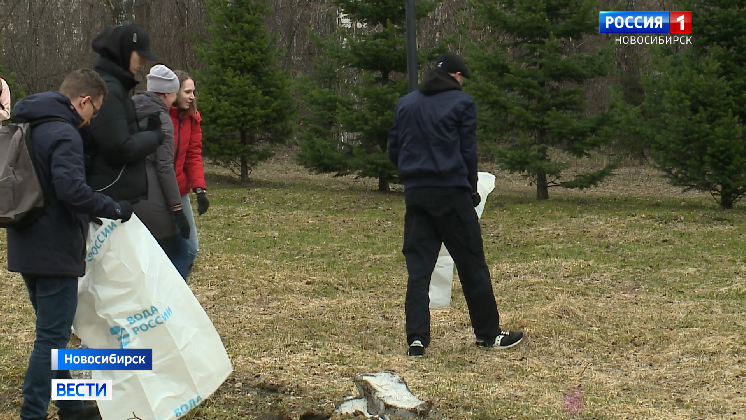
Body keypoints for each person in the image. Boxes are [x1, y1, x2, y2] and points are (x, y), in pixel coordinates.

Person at [6, 69, 133, 420]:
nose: (92, 120)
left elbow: (44, 185)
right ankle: (32, 413)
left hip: (25, 244)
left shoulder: (28, 124)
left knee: (53, 334)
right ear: (84, 100)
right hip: (54, 251)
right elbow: (70, 189)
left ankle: (72, 406)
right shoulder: (64, 132)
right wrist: (113, 208)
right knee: (51, 341)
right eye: (95, 110)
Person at [387, 53, 523, 357]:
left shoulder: (406, 103)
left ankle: (417, 338)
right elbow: (467, 152)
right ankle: (489, 334)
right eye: (462, 77)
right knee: (471, 263)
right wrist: (471, 189)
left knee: (419, 268)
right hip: (451, 193)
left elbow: (394, 149)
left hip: (417, 194)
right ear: (455, 75)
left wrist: (412, 177)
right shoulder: (462, 104)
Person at [82, 24, 163, 201]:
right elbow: (118, 148)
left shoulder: (115, 87)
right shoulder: (108, 89)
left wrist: (141, 130)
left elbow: (113, 131)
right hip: (107, 195)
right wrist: (154, 137)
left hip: (113, 195)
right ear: (124, 51)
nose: (143, 62)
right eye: (140, 55)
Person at [132, 65, 191, 279]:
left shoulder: (130, 110)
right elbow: (164, 167)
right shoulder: (161, 119)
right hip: (152, 198)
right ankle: (174, 304)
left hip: (128, 195)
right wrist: (177, 210)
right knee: (180, 251)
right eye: (174, 93)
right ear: (165, 93)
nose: (174, 99)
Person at [170, 70, 208, 271]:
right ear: (174, 92)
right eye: (187, 92)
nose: (192, 96)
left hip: (181, 190)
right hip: (158, 194)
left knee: (191, 249)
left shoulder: (193, 119)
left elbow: (193, 155)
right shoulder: (162, 117)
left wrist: (199, 189)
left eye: (193, 92)